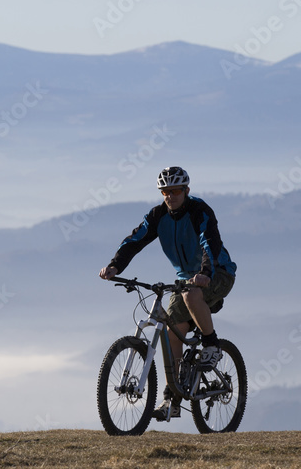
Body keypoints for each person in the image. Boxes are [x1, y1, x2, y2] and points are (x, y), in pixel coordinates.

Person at [99, 166, 237, 421]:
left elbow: (210, 243)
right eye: (165, 192)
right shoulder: (157, 215)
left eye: (175, 191)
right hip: (186, 280)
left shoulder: (199, 211)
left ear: (186, 190)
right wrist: (115, 266)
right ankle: (172, 398)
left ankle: (212, 344)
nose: (170, 196)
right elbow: (135, 241)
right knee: (172, 332)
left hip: (218, 272)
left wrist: (206, 272)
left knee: (191, 295)